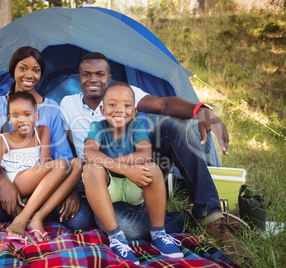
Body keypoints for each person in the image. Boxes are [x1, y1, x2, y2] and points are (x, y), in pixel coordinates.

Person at [60, 52, 244, 255]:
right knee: (118, 225)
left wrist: (202, 111)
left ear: (109, 77)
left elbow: (163, 105)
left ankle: (210, 215)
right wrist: (72, 189)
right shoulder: (68, 105)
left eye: (99, 74)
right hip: (102, 180)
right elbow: (69, 150)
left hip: (139, 173)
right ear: (79, 78)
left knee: (173, 126)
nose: (93, 79)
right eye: (86, 74)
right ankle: (187, 219)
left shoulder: (125, 94)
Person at [0, 46, 95, 232]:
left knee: (82, 220)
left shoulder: (51, 109)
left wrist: (70, 190)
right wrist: (4, 183)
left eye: (36, 70)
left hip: (46, 180)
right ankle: (27, 208)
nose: (29, 75)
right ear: (13, 70)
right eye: (23, 68)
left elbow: (64, 156)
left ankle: (25, 209)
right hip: (8, 177)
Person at [83, 82, 183, 263]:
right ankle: (116, 237)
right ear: (103, 110)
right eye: (112, 105)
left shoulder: (136, 126)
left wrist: (115, 165)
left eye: (126, 105)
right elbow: (89, 153)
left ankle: (158, 232)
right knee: (91, 168)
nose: (119, 110)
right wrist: (125, 169)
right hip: (109, 189)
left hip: (133, 187)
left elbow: (145, 154)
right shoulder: (97, 127)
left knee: (152, 168)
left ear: (134, 111)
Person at [0, 91, 78, 241]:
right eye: (15, 116)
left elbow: (44, 164)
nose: (22, 120)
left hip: (37, 181)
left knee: (77, 164)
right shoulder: (2, 139)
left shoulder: (43, 131)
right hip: (17, 182)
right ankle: (22, 219)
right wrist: (8, 200)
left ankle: (36, 217)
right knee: (62, 164)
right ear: (9, 118)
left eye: (27, 114)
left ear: (37, 115)